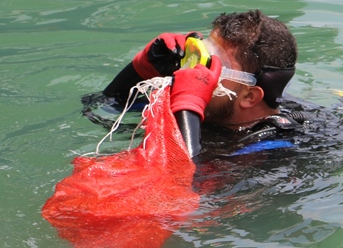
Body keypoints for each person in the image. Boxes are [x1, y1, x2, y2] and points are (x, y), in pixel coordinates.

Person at [83, 10, 304, 158]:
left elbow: (186, 191)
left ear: (249, 97)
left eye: (212, 65)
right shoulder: (208, 109)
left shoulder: (272, 151)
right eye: (200, 53)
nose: (193, 70)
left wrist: (189, 104)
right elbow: (99, 109)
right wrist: (140, 69)